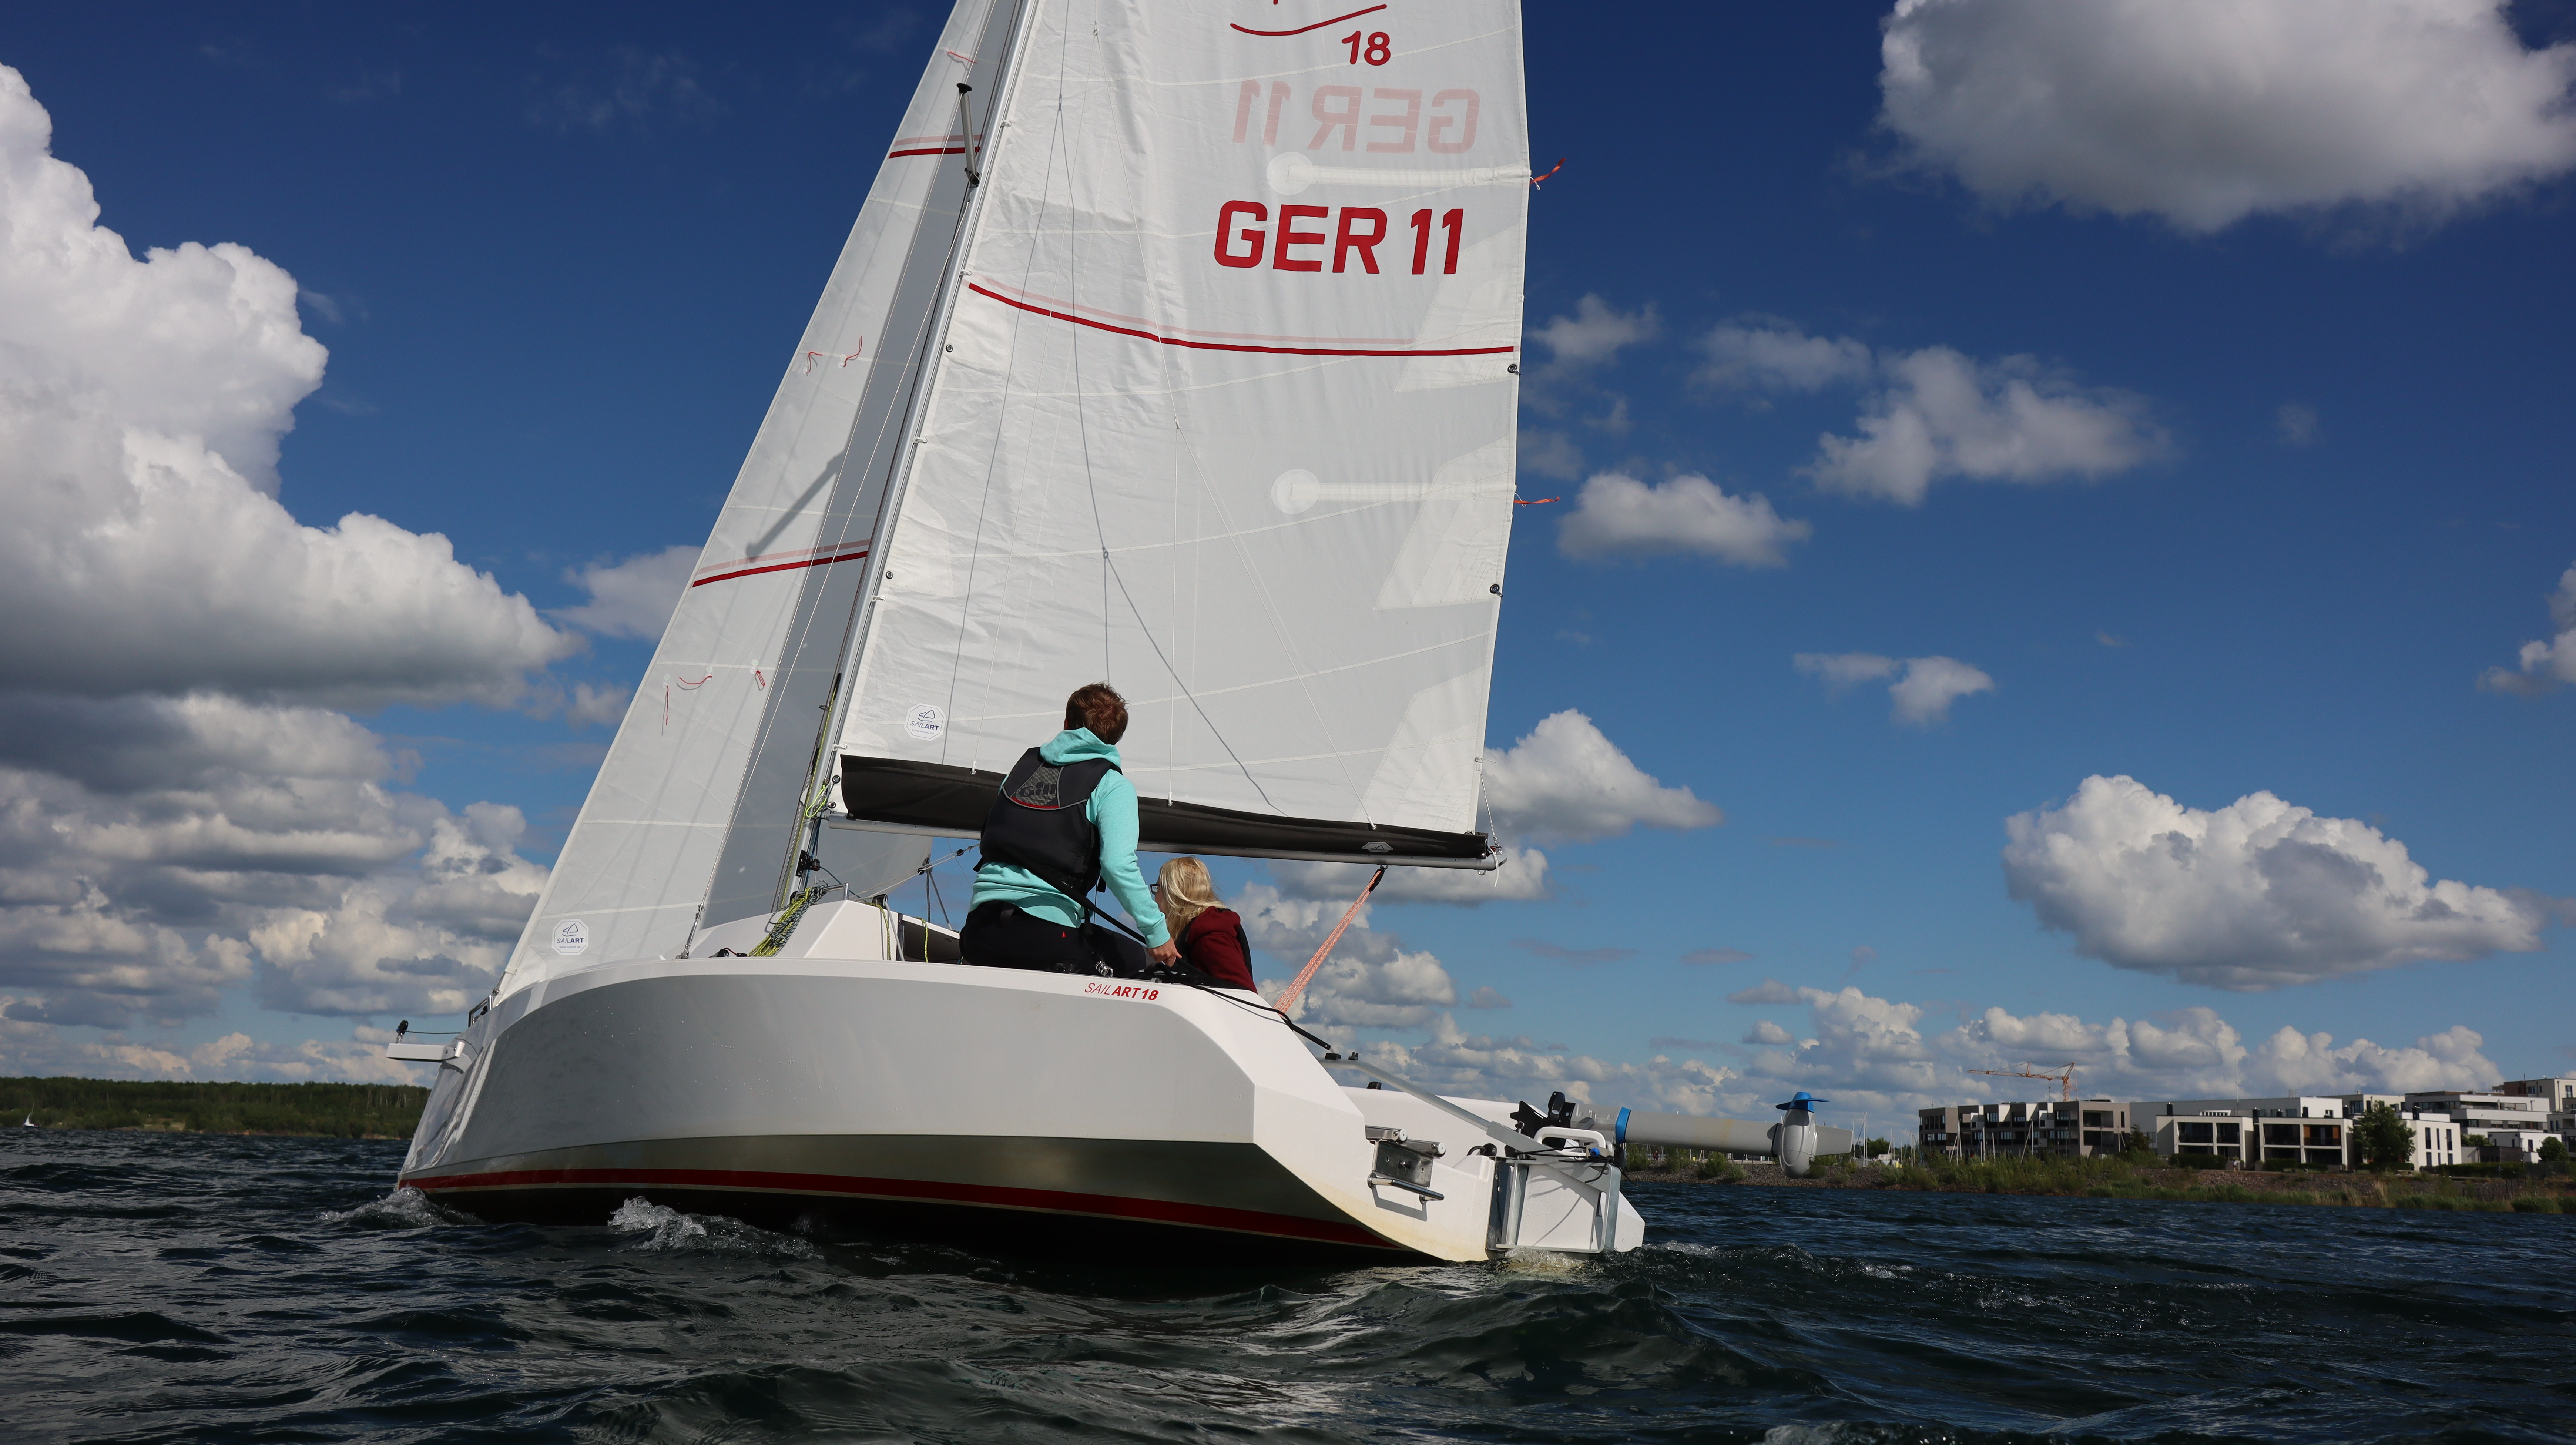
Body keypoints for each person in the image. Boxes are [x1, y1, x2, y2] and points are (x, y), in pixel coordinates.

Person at [961, 683, 1180, 975]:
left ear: (1066, 725)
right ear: (1115, 739)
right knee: (1136, 961)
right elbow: (1117, 865)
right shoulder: (1113, 786)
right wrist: (1157, 932)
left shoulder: (1021, 772)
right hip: (1048, 939)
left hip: (979, 932)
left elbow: (993, 832)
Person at [1153, 857, 1256, 992]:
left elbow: (1243, 992)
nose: (1155, 897)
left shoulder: (1210, 938)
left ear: (1173, 893)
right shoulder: (1197, 933)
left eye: (1158, 888)